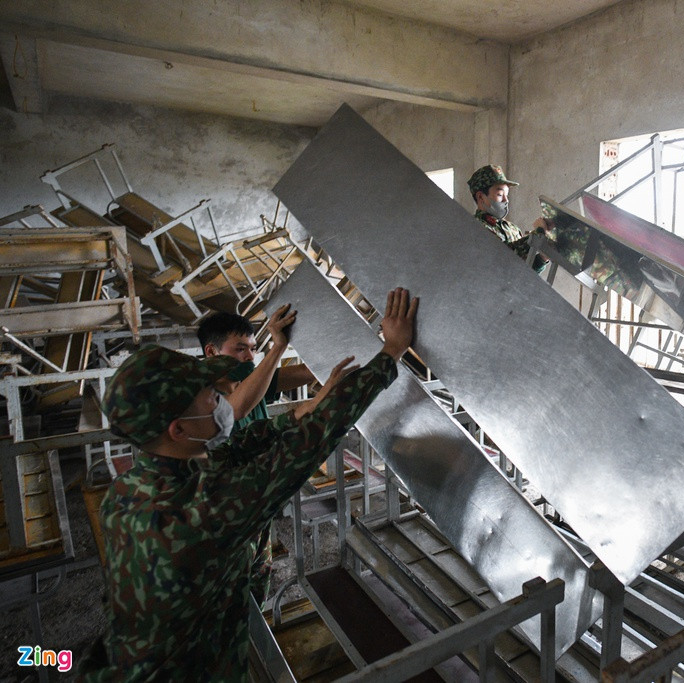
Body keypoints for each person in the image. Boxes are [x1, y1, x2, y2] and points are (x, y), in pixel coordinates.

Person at [86, 288, 418, 682]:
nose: (219, 400)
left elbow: (243, 444)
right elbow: (308, 443)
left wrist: (298, 412)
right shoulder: (199, 511)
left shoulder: (131, 489)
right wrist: (390, 353)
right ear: (177, 430)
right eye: (209, 398)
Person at [197, 306, 318, 605]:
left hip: (257, 505)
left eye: (252, 349)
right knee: (227, 592)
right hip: (225, 516)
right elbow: (235, 410)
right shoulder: (201, 396)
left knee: (258, 576)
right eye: (240, 349)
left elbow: (308, 372)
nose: (250, 357)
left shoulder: (253, 383)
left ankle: (255, 636)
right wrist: (278, 347)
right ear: (211, 352)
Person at [467, 164, 549, 271]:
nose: (506, 200)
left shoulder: (513, 229)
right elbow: (504, 261)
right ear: (480, 196)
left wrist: (542, 258)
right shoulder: (474, 229)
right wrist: (537, 233)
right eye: (500, 194)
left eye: (507, 195)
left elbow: (521, 272)